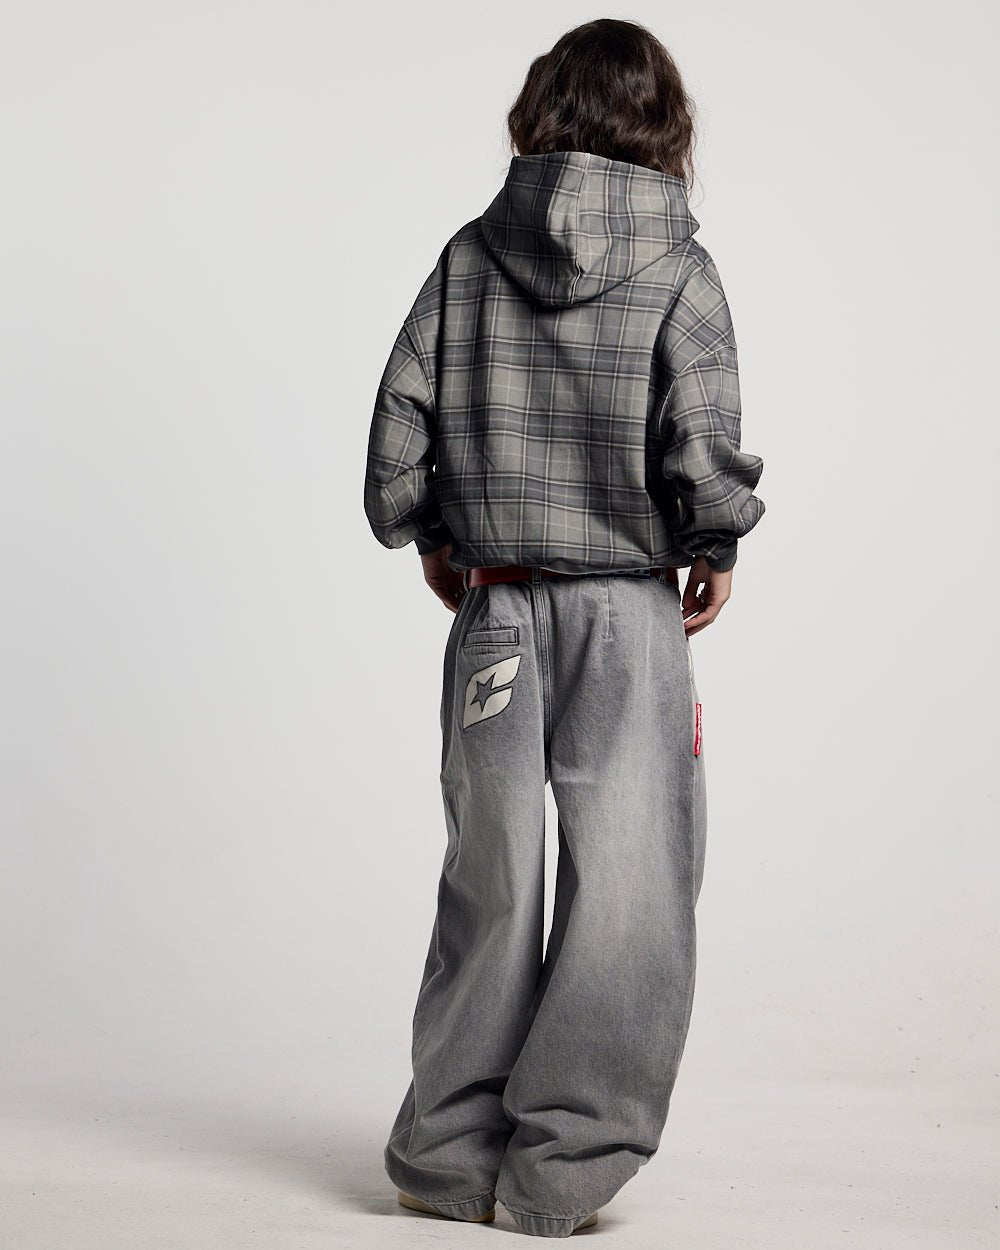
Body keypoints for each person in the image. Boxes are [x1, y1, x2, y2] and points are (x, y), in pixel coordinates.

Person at [363, 17, 765, 1239]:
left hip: (495, 608)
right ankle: (560, 1168)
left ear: (539, 110)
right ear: (663, 125)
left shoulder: (467, 257)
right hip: (625, 613)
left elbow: (397, 431)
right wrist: (712, 544)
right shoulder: (681, 270)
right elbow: (701, 440)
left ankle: (444, 1157)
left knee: (488, 877)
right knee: (630, 885)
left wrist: (433, 536)